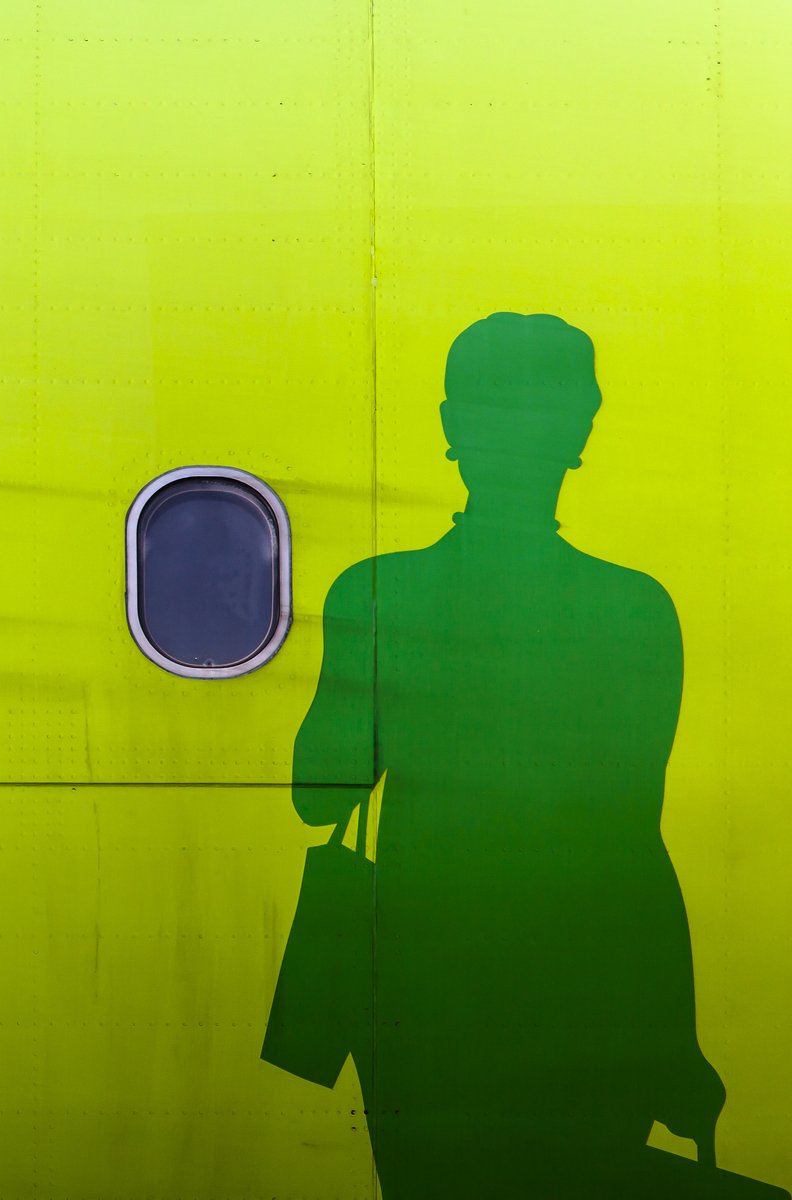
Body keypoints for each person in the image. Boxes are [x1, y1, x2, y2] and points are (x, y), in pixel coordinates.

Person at [276, 313, 738, 1197]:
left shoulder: (379, 591)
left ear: (452, 427)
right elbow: (636, 843)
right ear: (580, 435)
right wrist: (670, 1039)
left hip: (418, 1007)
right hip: (587, 1010)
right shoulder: (635, 610)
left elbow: (317, 793)